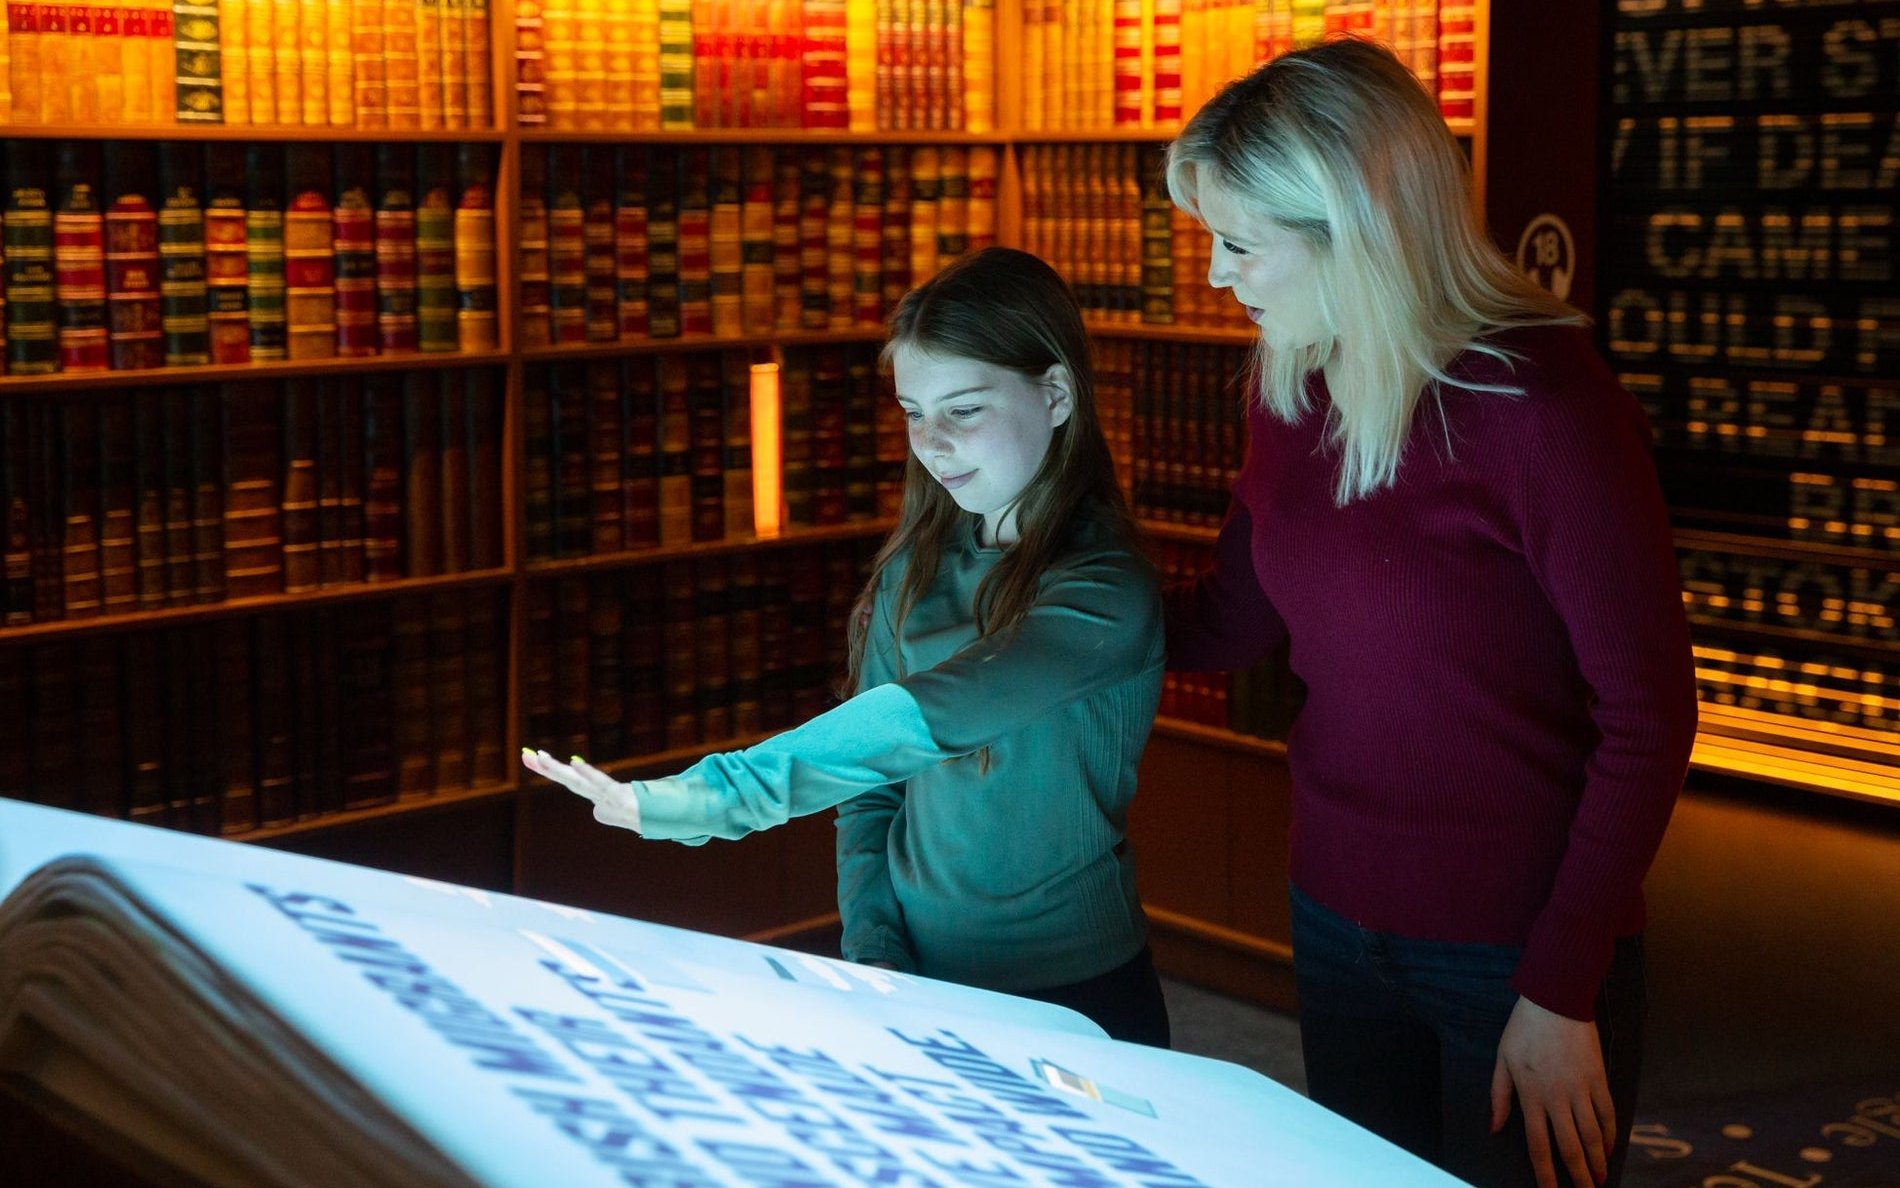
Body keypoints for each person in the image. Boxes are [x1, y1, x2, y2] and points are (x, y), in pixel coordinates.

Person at [1160, 37, 1697, 1188]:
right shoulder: (1287, 386)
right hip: (1334, 919)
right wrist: (1032, 582)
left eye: (1238, 244)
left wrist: (1560, 986)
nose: (1213, 274)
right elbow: (1227, 625)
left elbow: (1648, 718)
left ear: (1352, 230)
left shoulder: (1542, 407)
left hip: (1518, 951)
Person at [522, 246, 1172, 1047]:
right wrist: (875, 949)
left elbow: (915, 723)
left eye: (964, 410)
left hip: (1077, 994)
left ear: (1057, 394)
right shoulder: (914, 567)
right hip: (915, 978)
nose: (931, 443)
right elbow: (871, 794)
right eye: (912, 412)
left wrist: (703, 798)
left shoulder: (1107, 590)